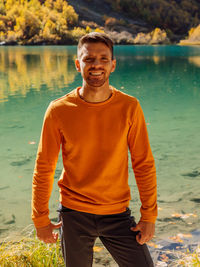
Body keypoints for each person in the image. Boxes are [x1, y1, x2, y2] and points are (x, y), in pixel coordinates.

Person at [32, 32, 157, 267]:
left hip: (117, 213)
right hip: (73, 213)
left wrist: (149, 215)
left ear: (113, 65)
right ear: (78, 64)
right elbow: (44, 168)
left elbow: (143, 164)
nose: (96, 65)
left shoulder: (129, 107)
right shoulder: (58, 110)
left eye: (103, 59)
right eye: (89, 59)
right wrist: (40, 218)